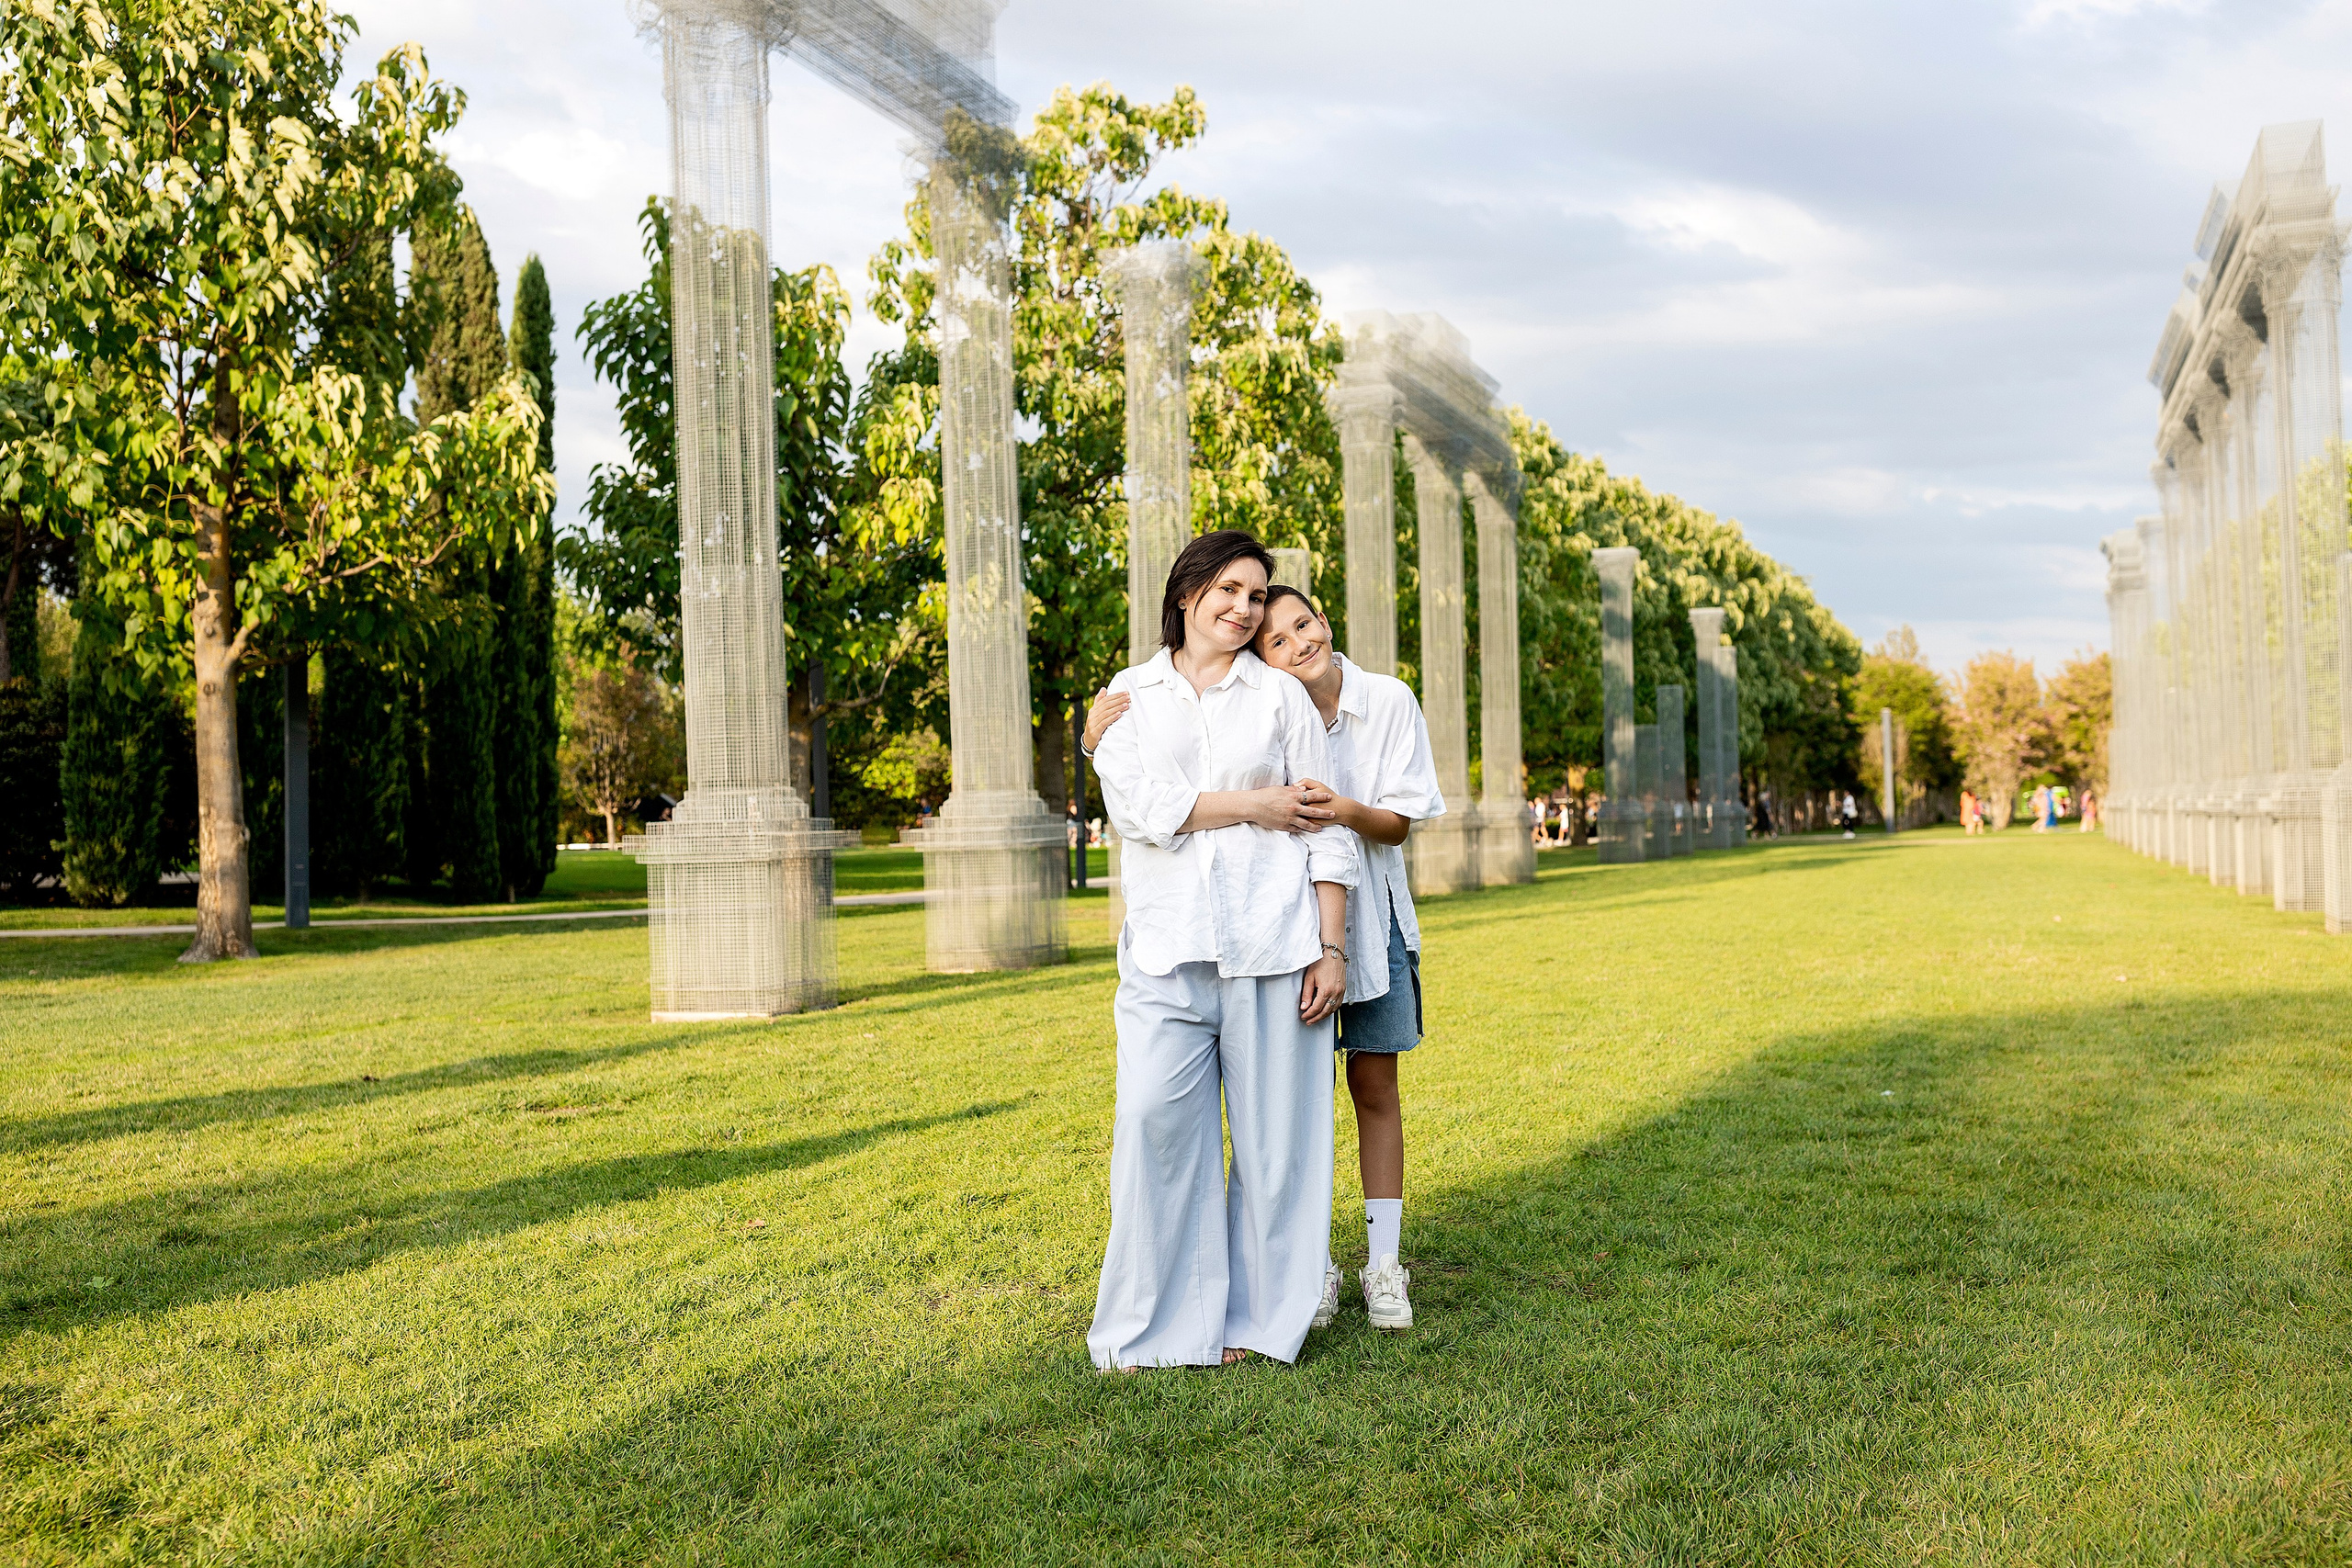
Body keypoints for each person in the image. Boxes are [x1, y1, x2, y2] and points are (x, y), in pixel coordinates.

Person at [1080, 531, 1358, 1371]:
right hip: (1166, 953)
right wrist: (1255, 804)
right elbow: (1141, 808)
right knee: (1152, 1126)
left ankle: (1260, 1325)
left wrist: (1332, 946)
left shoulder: (1279, 698)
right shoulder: (1128, 695)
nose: (1242, 608)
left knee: (1278, 1148)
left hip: (1276, 946)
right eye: (1229, 590)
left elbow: (1325, 834)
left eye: (1255, 595)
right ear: (1188, 590)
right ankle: (1151, 1331)